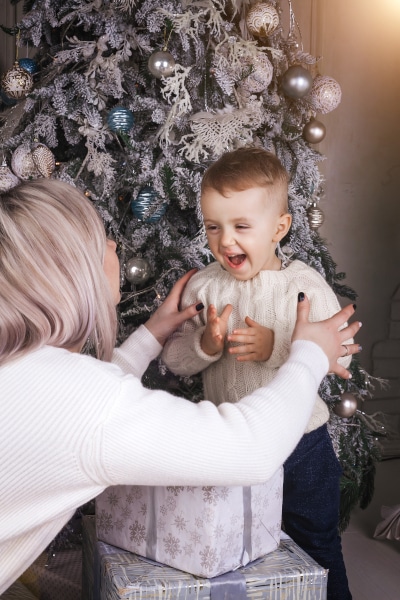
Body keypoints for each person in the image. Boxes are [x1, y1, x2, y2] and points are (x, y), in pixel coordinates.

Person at [0, 178, 361, 596]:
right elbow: (251, 450)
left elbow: (82, 405)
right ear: (72, 272)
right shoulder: (83, 402)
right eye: (102, 240)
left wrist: (148, 336)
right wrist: (310, 353)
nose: (115, 248)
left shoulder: (30, 371)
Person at [162, 147, 354, 600]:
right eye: (213, 226)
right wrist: (205, 346)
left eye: (241, 226)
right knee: (235, 549)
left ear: (279, 228)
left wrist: (277, 348)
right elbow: (173, 359)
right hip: (231, 445)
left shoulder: (303, 286)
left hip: (301, 446)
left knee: (318, 545)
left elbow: (339, 356)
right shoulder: (204, 286)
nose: (225, 240)